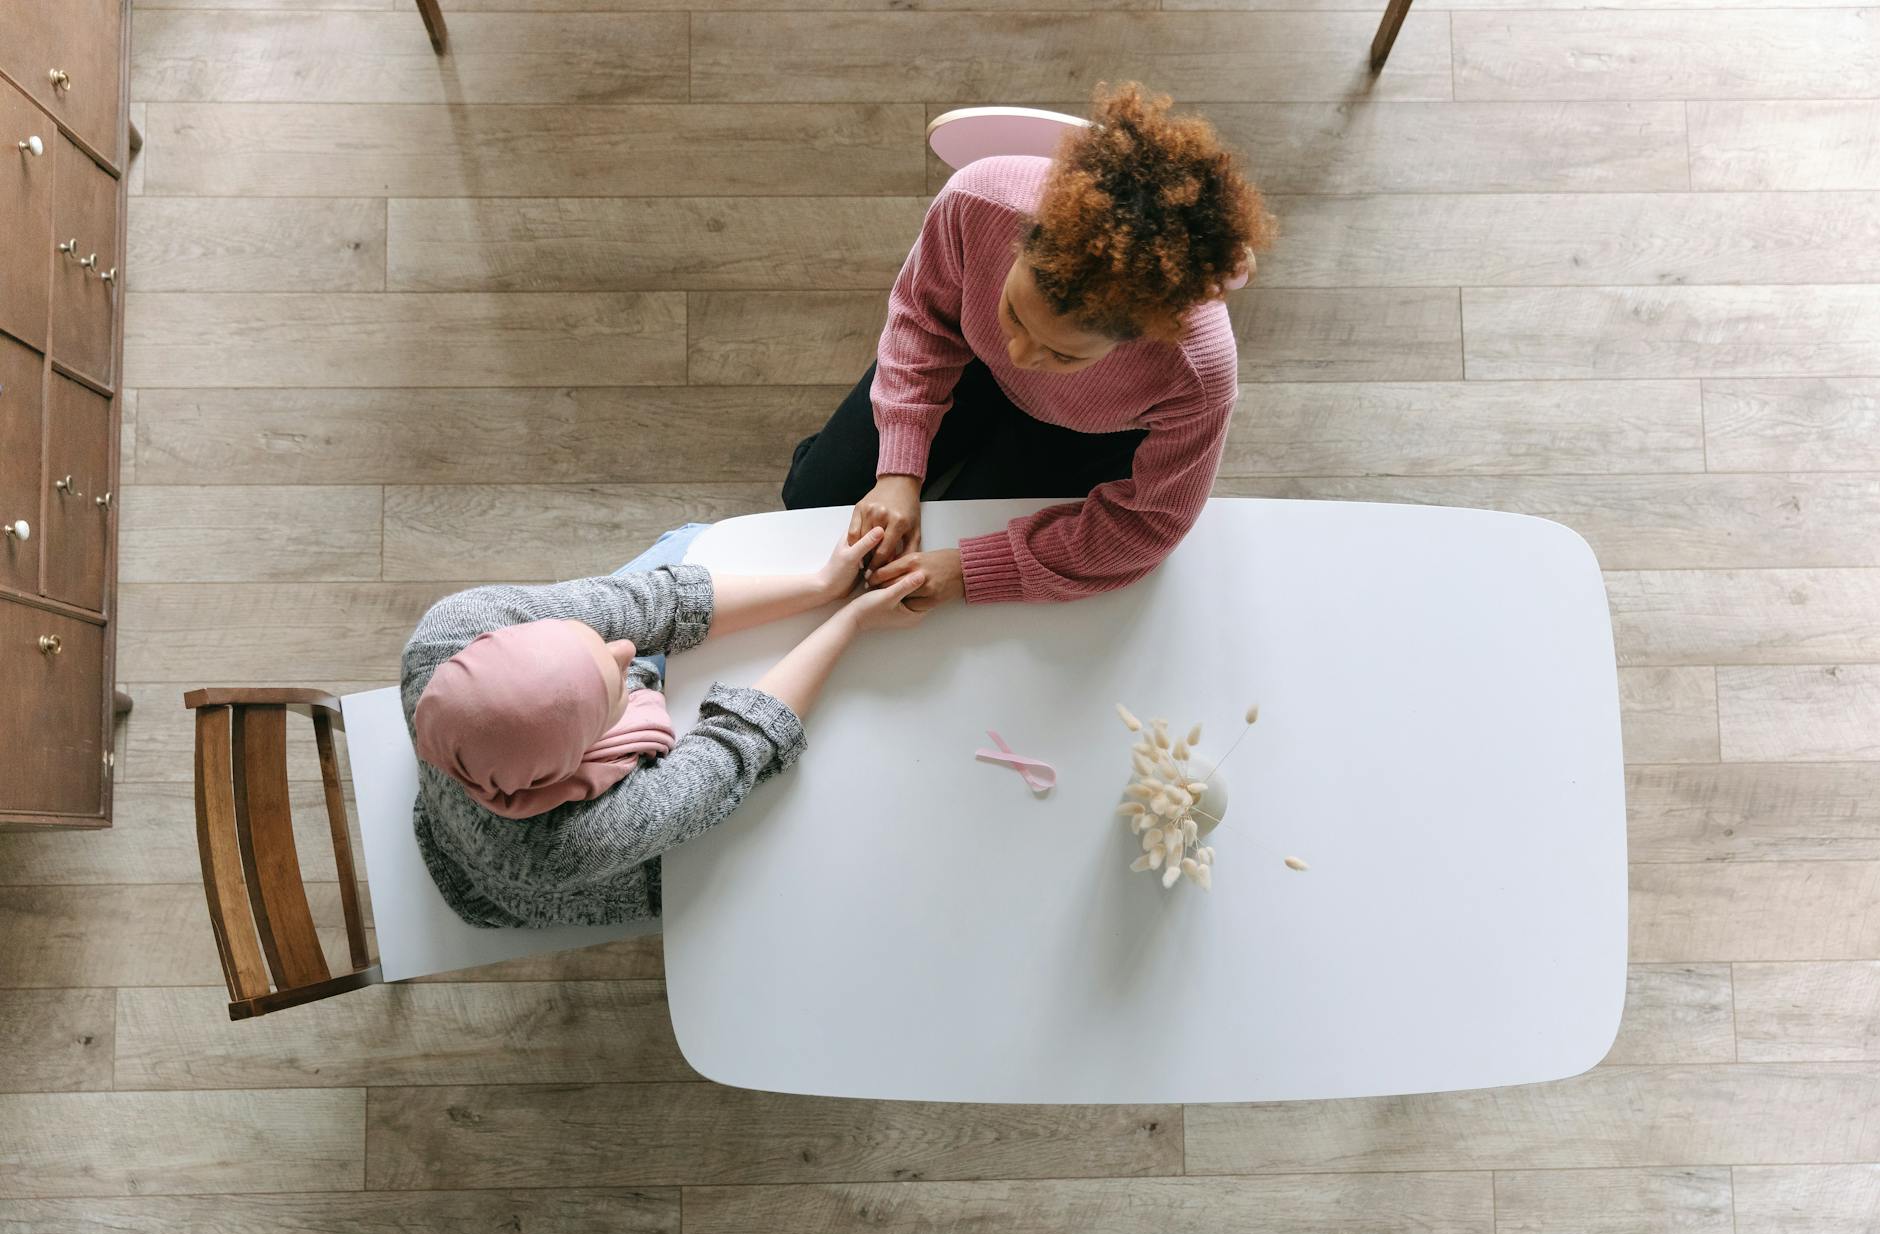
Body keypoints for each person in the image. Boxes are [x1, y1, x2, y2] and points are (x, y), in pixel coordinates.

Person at [781, 82, 1277, 607]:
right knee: (812, 499)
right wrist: (898, 471)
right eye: (1014, 314)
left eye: (1064, 353)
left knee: (954, 531)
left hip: (1090, 429)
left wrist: (968, 571)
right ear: (1019, 241)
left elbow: (1150, 523)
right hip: (970, 362)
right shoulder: (976, 201)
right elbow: (922, 319)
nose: (1019, 356)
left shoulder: (1197, 374)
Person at [401, 523, 926, 928]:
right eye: (612, 686)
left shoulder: (449, 630)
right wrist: (851, 621)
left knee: (693, 543)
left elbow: (652, 606)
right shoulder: (564, 845)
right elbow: (735, 746)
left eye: (586, 638)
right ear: (567, 759)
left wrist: (822, 585)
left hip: (522, 787)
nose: (627, 649)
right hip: (566, 879)